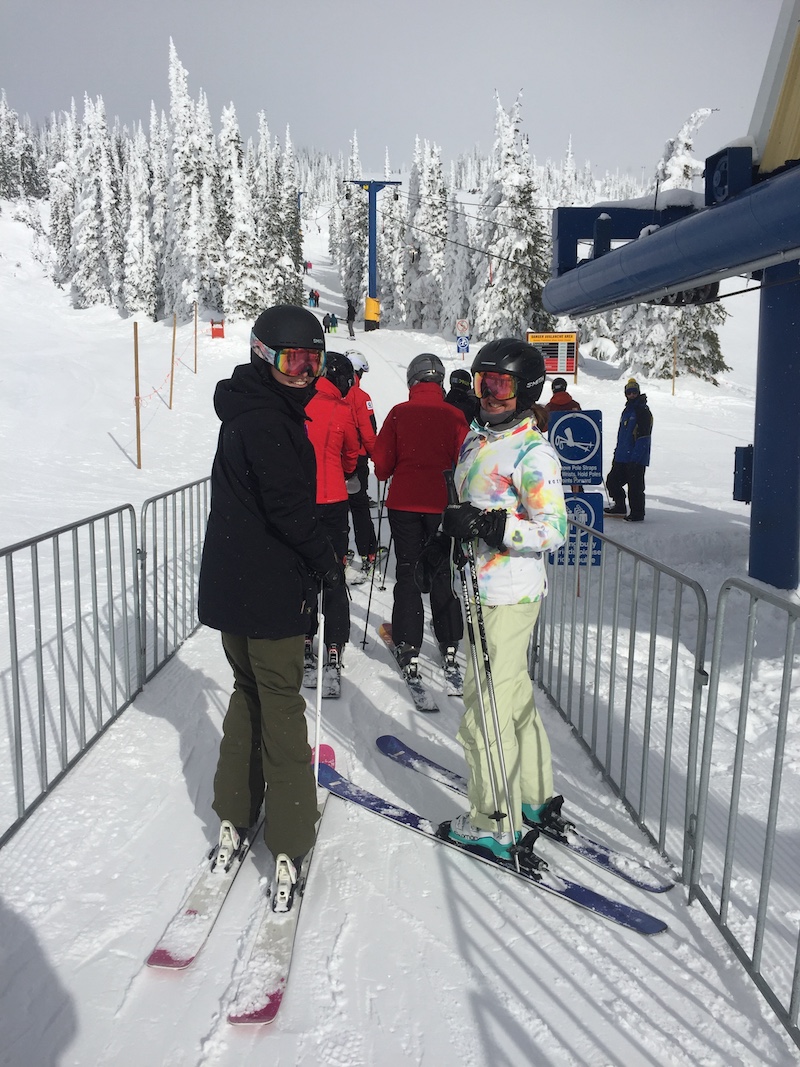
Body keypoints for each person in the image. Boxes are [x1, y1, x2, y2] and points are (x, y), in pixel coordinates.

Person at [197, 304, 343, 896]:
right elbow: (289, 512)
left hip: (234, 589)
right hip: (268, 593)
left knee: (248, 692)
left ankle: (234, 811)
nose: (305, 375)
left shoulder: (247, 409)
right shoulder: (270, 423)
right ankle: (290, 838)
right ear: (263, 357)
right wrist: (329, 566)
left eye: (314, 362)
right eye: (293, 362)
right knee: (281, 704)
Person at [440, 338, 568, 862]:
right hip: (480, 588)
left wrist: (496, 526)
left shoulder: (532, 452)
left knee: (485, 705)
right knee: (511, 698)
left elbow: (554, 529)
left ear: (527, 390)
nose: (489, 394)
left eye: (501, 385)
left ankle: (495, 819)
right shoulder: (480, 437)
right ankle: (535, 798)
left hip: (504, 595)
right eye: (482, 382)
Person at [373, 353, 468, 681]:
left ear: (412, 380)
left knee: (409, 570)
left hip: (405, 503)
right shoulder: (456, 416)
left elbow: (383, 466)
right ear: (439, 381)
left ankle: (408, 643)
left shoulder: (399, 414)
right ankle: (450, 640)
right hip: (443, 504)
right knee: (443, 572)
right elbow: (466, 463)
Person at [303, 352, 360, 692]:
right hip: (334, 500)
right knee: (334, 573)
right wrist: (345, 470)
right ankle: (334, 645)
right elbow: (351, 452)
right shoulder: (342, 410)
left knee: (305, 572)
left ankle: (305, 637)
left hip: (304, 502)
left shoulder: (302, 403)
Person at [343, 351, 379, 583]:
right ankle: (368, 553)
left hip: (332, 460)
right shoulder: (359, 395)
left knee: (336, 509)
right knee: (359, 506)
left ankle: (341, 552)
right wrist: (378, 455)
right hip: (356, 459)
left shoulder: (327, 391)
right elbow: (369, 430)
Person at [604, 378, 653, 522]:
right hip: (622, 456)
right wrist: (617, 453)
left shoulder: (642, 411)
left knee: (635, 487)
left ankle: (637, 513)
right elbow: (623, 435)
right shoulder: (627, 410)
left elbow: (644, 436)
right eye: (629, 392)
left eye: (634, 392)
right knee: (612, 481)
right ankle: (619, 506)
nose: (631, 395)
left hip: (636, 458)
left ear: (638, 392)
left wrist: (636, 457)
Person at [545, 377, 583, 493]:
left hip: (556, 447)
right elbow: (583, 424)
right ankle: (578, 499)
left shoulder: (550, 407)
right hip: (574, 448)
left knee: (554, 477)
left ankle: (556, 502)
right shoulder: (574, 405)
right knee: (574, 475)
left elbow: (543, 427)